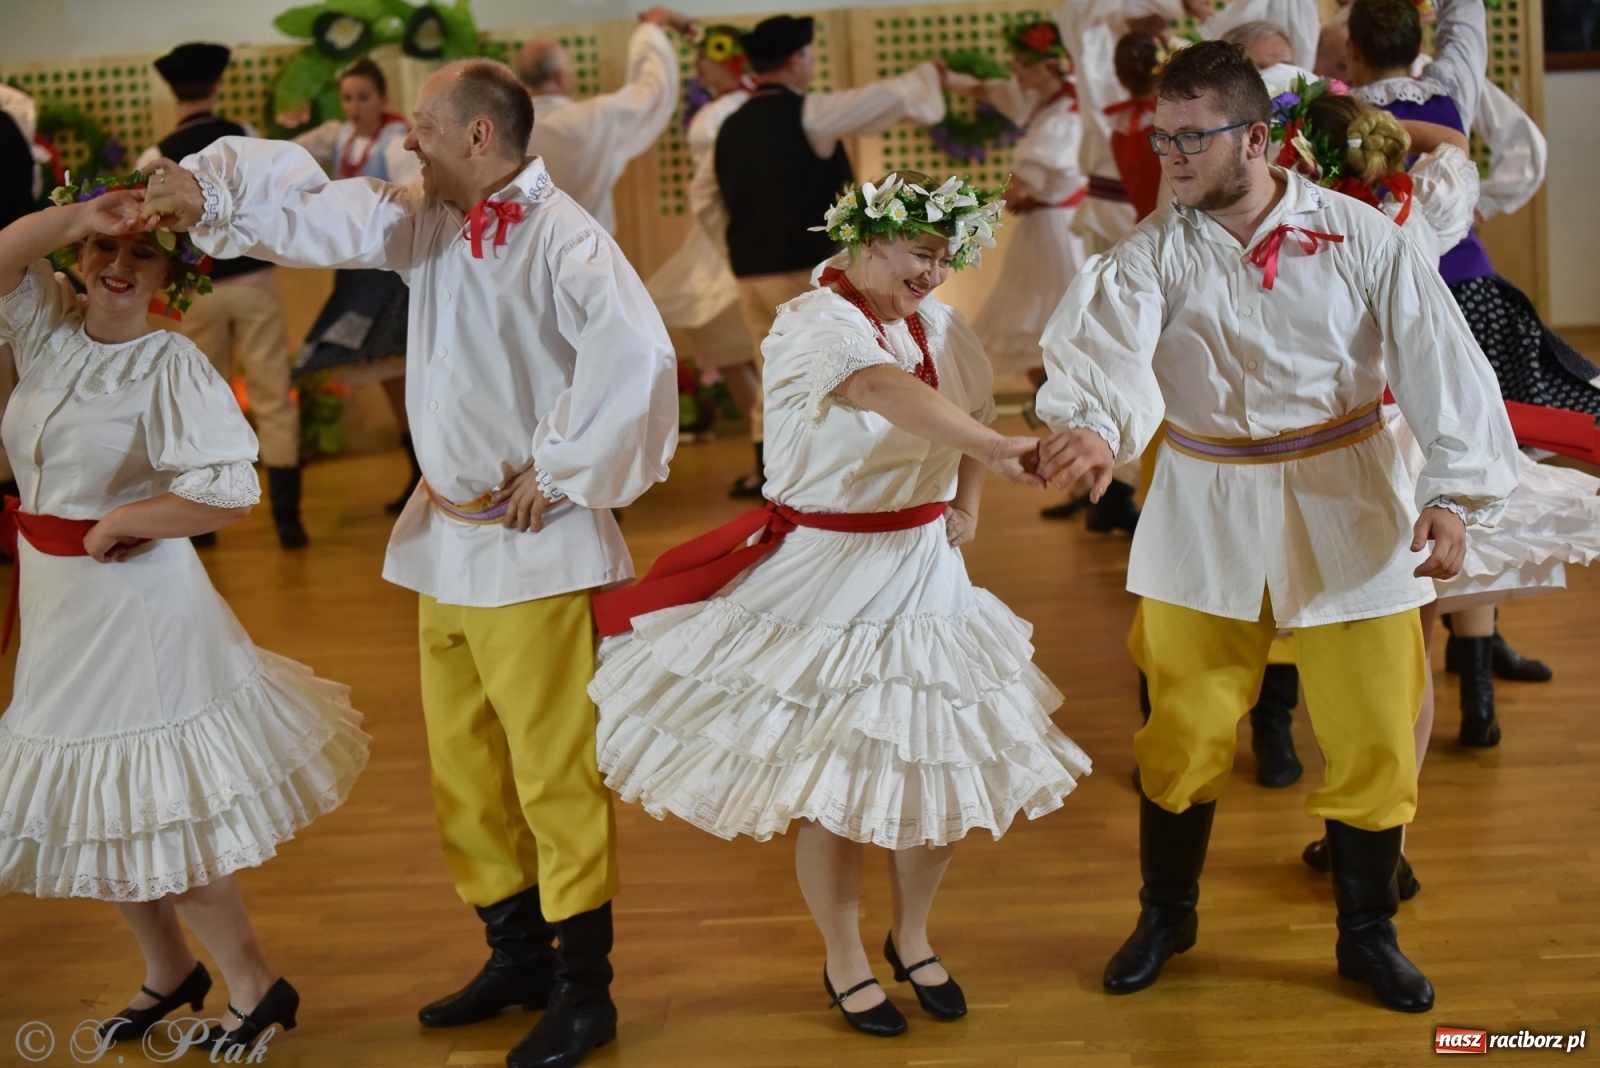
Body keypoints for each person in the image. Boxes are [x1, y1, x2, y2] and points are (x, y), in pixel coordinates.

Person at [140, 57, 679, 1068]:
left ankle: (584, 990)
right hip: (447, 544)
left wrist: (563, 471)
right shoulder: (426, 213)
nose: (406, 136)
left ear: (480, 135)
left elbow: (637, 354)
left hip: (534, 554)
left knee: (553, 772)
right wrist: (204, 190)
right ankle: (515, 954)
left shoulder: (564, 236)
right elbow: (320, 214)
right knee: (465, 771)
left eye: (424, 123)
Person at [1035, 41, 1517, 1013]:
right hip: (1203, 505)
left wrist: (1454, 493)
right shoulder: (1149, 255)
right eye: (1158, 135)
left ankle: (1365, 933)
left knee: (1376, 727)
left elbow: (1438, 361)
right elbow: (1109, 361)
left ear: (1256, 138)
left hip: (1349, 499)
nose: (1167, 155)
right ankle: (1167, 914)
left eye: (1190, 137)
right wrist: (1090, 429)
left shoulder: (1360, 237)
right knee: (1181, 727)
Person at [588, 173, 1090, 1038]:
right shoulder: (816, 321)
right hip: (826, 566)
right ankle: (844, 955)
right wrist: (997, 448)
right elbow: (878, 391)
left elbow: (968, 406)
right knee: (835, 778)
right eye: (921, 254)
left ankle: (914, 935)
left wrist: (969, 498)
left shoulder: (939, 323)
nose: (934, 273)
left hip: (923, 568)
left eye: (946, 257)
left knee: (935, 761)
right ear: (867, 241)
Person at [0, 173, 368, 1057]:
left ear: (175, 275)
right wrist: (86, 212)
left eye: (141, 253)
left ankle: (254, 983)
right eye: (103, 247)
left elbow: (227, 487)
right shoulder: (46, 326)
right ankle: (169, 967)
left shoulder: (171, 361)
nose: (118, 264)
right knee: (95, 801)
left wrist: (132, 518)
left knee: (162, 807)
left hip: (138, 611)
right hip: (60, 606)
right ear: (78, 253)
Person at [699, 13, 953, 498]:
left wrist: (741, 248)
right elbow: (879, 101)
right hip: (799, 269)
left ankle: (769, 471)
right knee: (834, 368)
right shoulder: (808, 112)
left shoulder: (728, 125)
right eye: (810, 58)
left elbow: (706, 200)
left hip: (749, 270)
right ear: (798, 60)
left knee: (773, 367)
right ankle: (828, 472)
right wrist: (930, 78)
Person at [1347, 0, 1600, 419]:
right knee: (1506, 421)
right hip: (1467, 285)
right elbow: (1466, 17)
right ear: (1420, 40)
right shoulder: (1450, 92)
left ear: (1352, 48)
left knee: (1414, 424)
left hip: (1386, 300)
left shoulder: (1336, 115)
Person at [138, 43, 308, 549]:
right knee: (274, 395)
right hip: (255, 282)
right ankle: (287, 519)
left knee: (202, 402)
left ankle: (203, 523)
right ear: (217, 86)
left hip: (199, 289)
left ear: (173, 92)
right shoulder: (245, 139)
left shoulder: (157, 155)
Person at [288, 59, 422, 514]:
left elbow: (411, 192)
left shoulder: (396, 139)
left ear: (383, 98)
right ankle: (419, 471)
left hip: (390, 269)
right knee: (389, 374)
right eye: (348, 97)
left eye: (364, 97)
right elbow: (293, 151)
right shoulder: (339, 135)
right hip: (356, 267)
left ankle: (425, 472)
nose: (355, 106)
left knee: (404, 369)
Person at [643, 25, 760, 432]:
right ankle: (773, 457)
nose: (698, 69)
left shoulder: (715, 116)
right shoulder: (758, 104)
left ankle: (767, 458)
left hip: (724, 242)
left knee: (730, 352)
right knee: (756, 354)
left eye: (703, 59)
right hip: (758, 237)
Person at [969, 19, 1088, 391]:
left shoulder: (1063, 115)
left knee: (1052, 318)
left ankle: (1069, 401)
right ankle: (1056, 402)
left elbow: (1018, 188)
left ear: (1048, 66)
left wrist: (965, 211)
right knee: (1042, 323)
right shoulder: (1051, 102)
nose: (1014, 69)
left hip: (1057, 229)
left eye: (1022, 62)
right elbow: (992, 92)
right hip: (1048, 225)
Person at [515, 7, 685, 235]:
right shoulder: (596, 117)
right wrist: (649, 33)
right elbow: (651, 91)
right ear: (561, 77)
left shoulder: (508, 128)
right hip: (588, 249)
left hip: (525, 253)